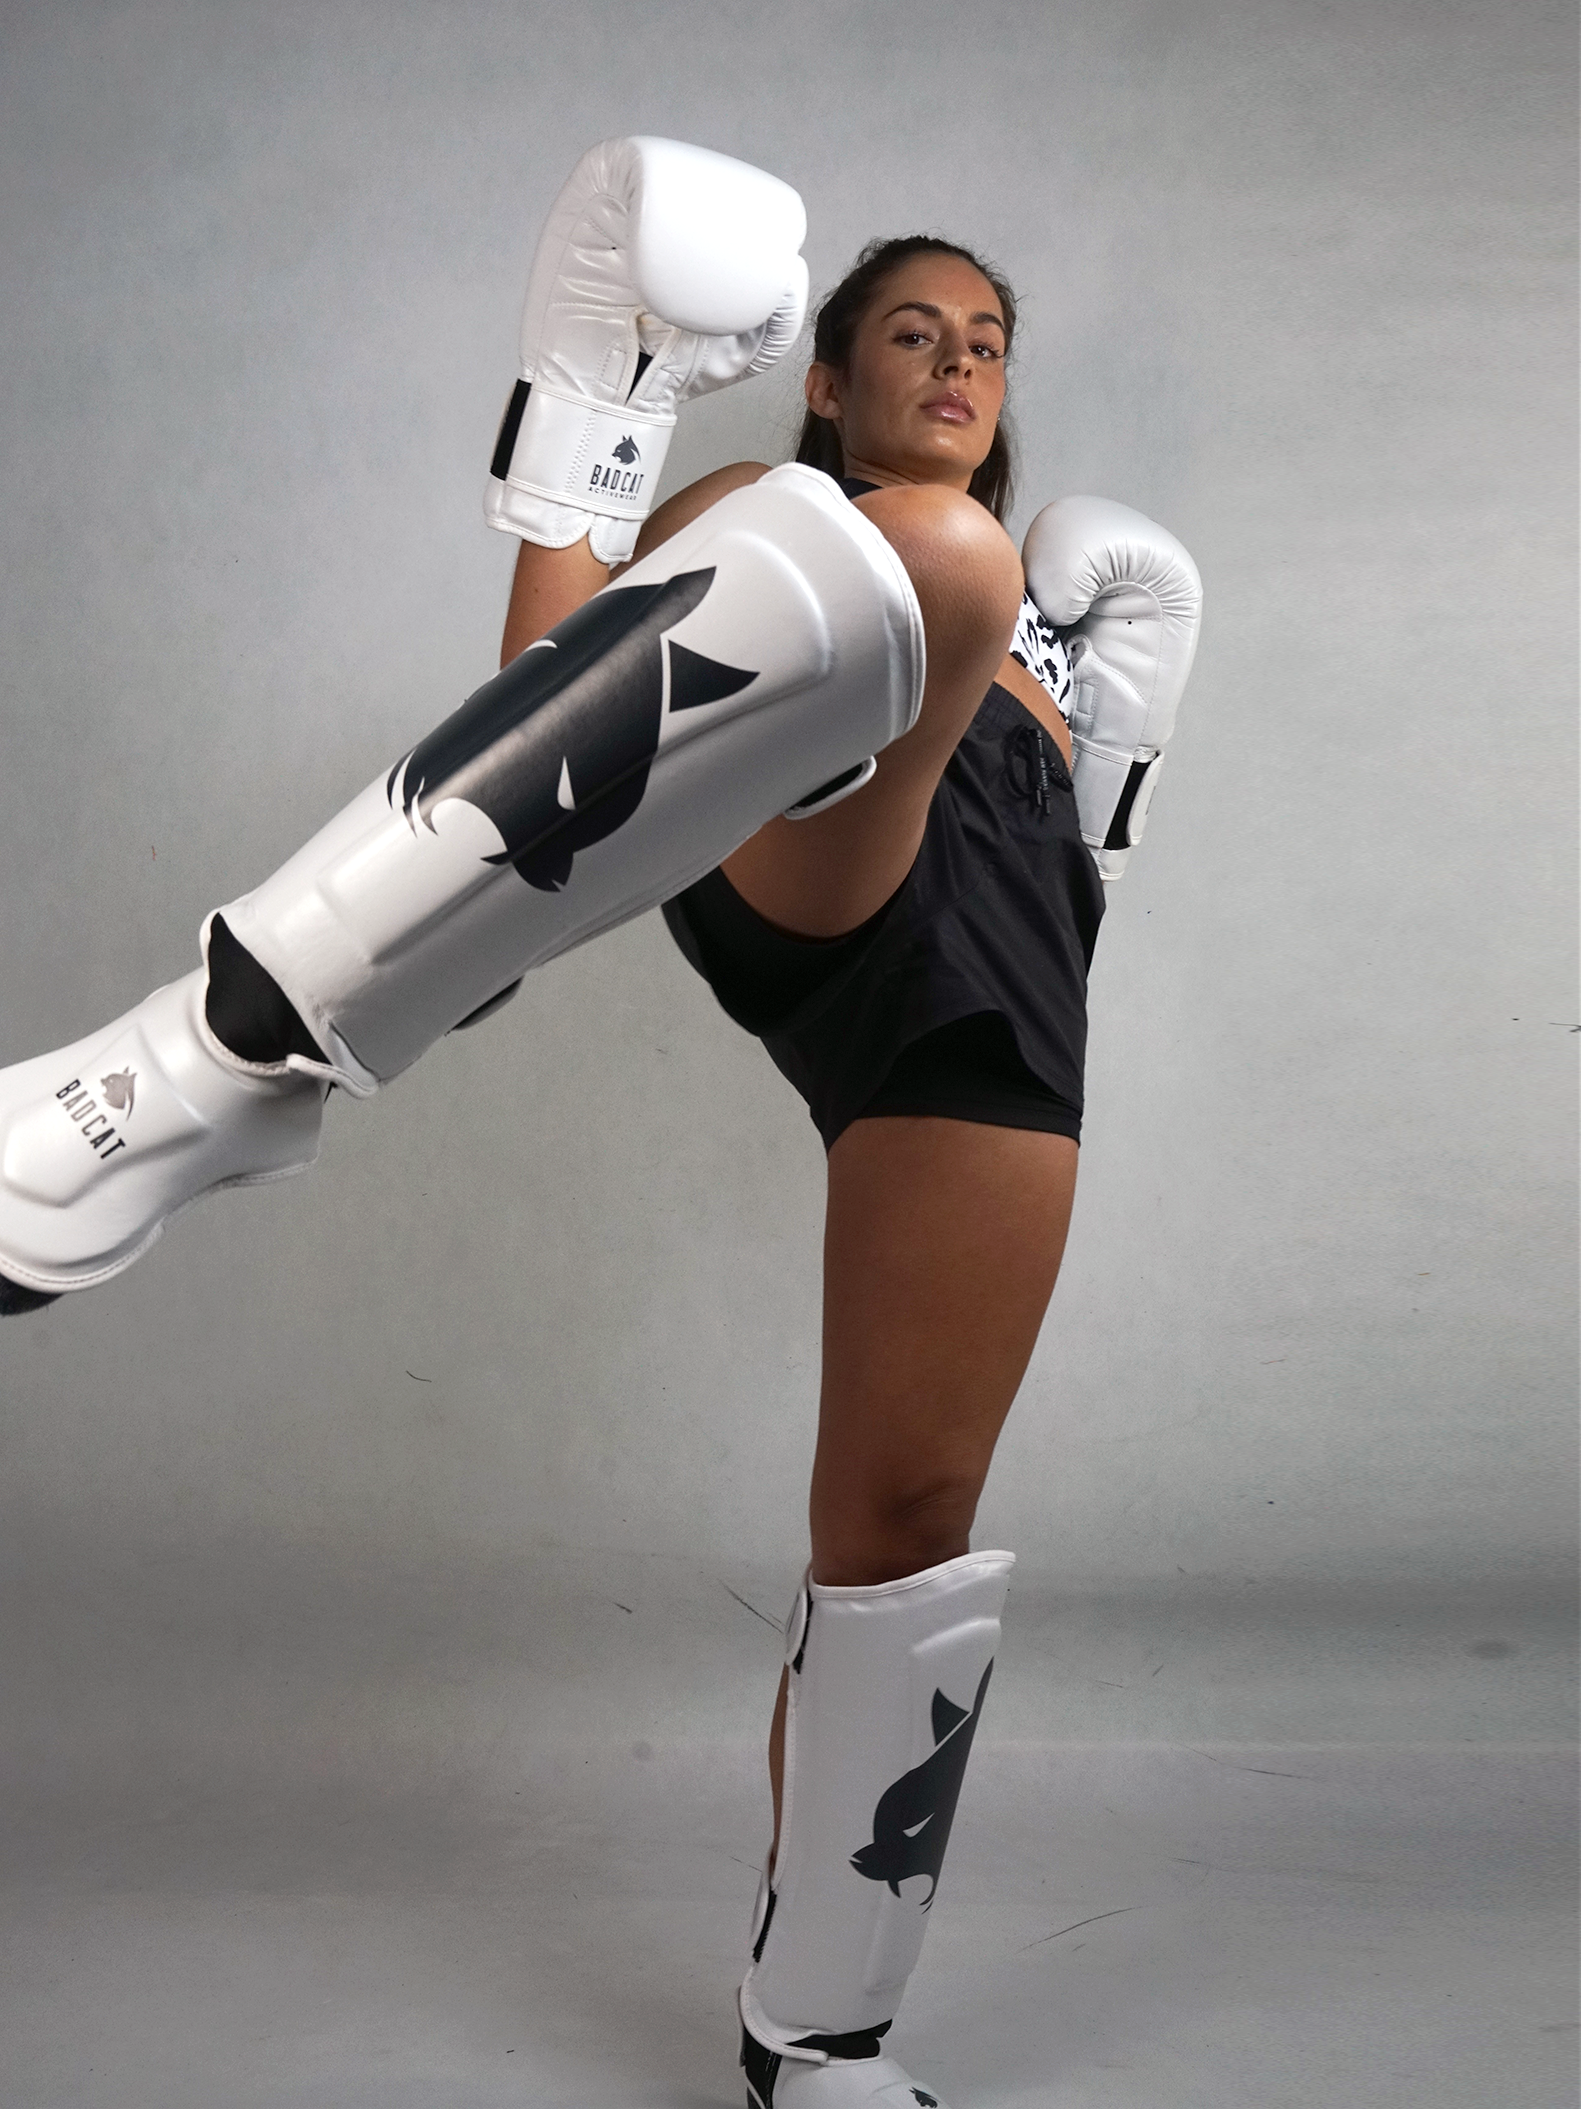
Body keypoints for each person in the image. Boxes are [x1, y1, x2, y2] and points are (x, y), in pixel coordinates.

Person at [0, 139, 1199, 2108]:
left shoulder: (1072, 628)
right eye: (911, 330)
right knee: (934, 567)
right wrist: (597, 405)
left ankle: (816, 2033)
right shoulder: (783, 508)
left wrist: (1099, 742)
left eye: (987, 340)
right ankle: (211, 1063)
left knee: (907, 1530)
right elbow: (538, 706)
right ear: (823, 373)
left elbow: (1070, 876)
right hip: (798, 835)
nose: (958, 363)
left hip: (985, 1000)